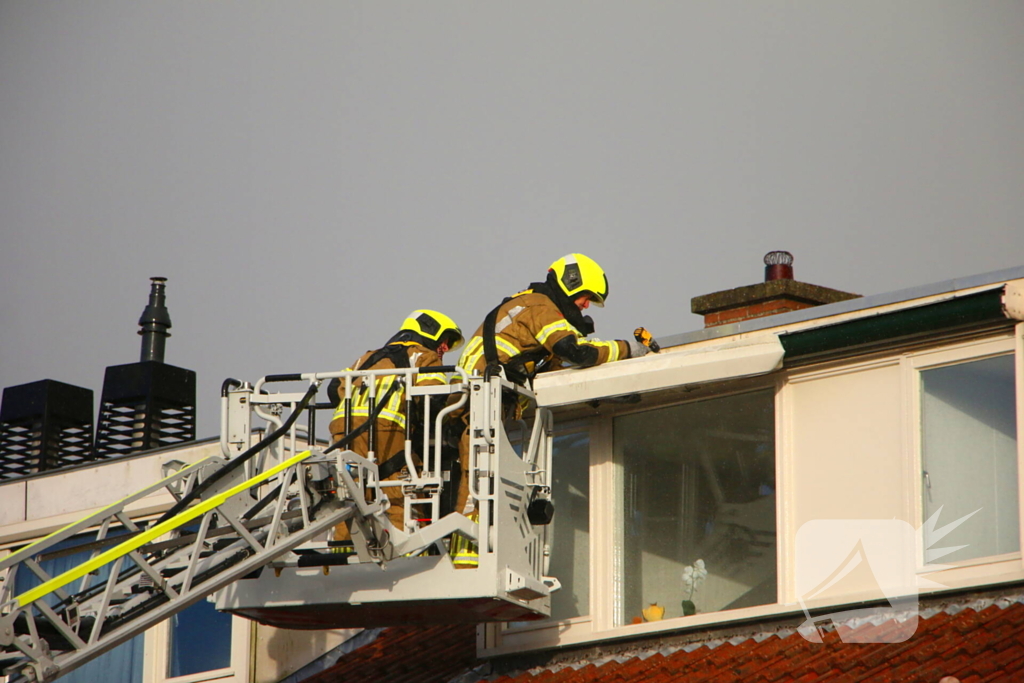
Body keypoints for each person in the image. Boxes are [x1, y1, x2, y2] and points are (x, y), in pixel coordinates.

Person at [449, 253, 650, 566]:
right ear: (571, 284)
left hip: (483, 396)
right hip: (484, 397)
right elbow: (576, 352)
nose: (585, 306)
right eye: (586, 297)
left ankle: (475, 554)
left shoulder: (528, 304)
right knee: (480, 477)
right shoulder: (541, 307)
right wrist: (628, 349)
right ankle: (467, 559)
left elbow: (561, 367)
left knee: (484, 475)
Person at [329, 309, 463, 540]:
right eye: (445, 342)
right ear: (430, 331)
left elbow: (334, 389)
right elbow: (432, 397)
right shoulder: (423, 356)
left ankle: (344, 551)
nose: (443, 349)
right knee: (399, 496)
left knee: (350, 496)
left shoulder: (367, 358)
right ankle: (404, 556)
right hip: (387, 431)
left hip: (343, 429)